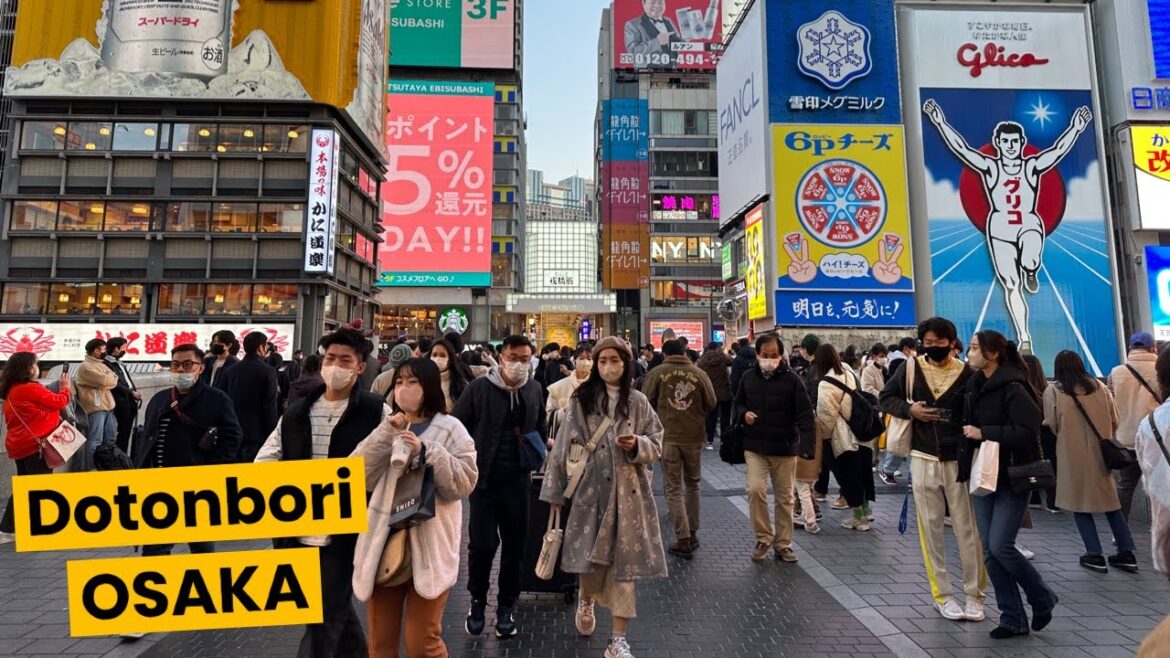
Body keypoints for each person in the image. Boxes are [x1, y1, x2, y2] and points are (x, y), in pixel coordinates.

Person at [255, 327, 386, 657]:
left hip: (347, 532)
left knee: (322, 618)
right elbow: (265, 460)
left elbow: (388, 467)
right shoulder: (297, 411)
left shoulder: (375, 411)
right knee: (333, 612)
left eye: (345, 360)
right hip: (297, 530)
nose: (336, 366)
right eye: (330, 358)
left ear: (360, 367)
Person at [923, 99, 1093, 353]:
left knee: (1030, 259)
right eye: (1006, 142)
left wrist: (1076, 128)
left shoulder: (1031, 166)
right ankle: (1024, 337)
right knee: (1012, 285)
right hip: (1000, 227)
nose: (1011, 146)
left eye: (1015, 142)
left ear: (1021, 144)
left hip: (1028, 222)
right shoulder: (990, 167)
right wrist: (939, 122)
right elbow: (962, 149)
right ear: (998, 144)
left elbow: (1058, 151)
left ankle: (1031, 269)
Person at [540, 336, 666, 658]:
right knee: (591, 562)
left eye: (615, 360)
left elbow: (657, 440)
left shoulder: (637, 401)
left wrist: (638, 444)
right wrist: (555, 493)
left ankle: (618, 641)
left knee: (625, 569)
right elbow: (564, 447)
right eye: (602, 361)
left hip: (629, 497)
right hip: (590, 492)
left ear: (626, 364)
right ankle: (586, 599)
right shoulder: (581, 400)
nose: (608, 366)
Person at [351, 358, 478, 658]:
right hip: (386, 543)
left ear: (430, 387)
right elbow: (355, 474)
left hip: (431, 545)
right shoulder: (389, 424)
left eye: (413, 382)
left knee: (423, 642)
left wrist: (429, 452)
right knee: (381, 644)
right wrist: (386, 434)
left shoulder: (450, 428)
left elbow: (464, 482)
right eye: (399, 382)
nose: (403, 389)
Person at [880, 317, 986, 622]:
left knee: (969, 531)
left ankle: (975, 595)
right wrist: (909, 410)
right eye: (928, 343)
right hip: (923, 457)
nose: (934, 348)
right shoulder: (910, 368)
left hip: (959, 460)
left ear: (953, 343)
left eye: (940, 343)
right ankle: (943, 595)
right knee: (930, 530)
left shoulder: (968, 374)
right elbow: (885, 398)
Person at [963, 330, 1058, 637]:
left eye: (975, 348)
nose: (970, 352)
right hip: (983, 475)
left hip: (1012, 477)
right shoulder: (974, 383)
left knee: (1001, 545)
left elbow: (1028, 431)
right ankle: (1011, 617)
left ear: (992, 354)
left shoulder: (1014, 386)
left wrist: (984, 432)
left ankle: (1041, 595)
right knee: (990, 551)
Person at [451, 335, 547, 639]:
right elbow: (457, 425)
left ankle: (506, 606)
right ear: (501, 356)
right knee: (481, 546)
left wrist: (538, 451)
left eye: (525, 358)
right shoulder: (479, 389)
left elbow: (541, 426)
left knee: (516, 547)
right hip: (484, 481)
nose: (519, 364)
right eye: (514, 357)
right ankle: (478, 601)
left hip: (519, 482)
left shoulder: (534, 389)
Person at [132, 344, 243, 555]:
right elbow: (147, 439)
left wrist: (207, 467)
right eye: (175, 364)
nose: (181, 370)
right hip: (160, 487)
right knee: (155, 549)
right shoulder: (159, 399)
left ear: (200, 368)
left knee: (200, 545)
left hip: (197, 486)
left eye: (187, 364)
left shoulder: (217, 399)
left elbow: (233, 437)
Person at [1043, 349, 1138, 574]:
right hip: (1101, 453)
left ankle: (1094, 554)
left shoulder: (1054, 390)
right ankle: (1127, 552)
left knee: (1080, 504)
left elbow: (1052, 424)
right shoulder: (1099, 387)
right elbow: (1115, 419)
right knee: (1111, 503)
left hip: (1071, 455)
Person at [734, 334, 815, 562]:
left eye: (774, 355)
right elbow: (738, 402)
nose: (769, 359)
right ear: (757, 354)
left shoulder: (792, 380)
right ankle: (763, 537)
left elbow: (805, 414)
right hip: (755, 445)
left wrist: (807, 447)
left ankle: (783, 544)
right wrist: (743, 414)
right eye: (765, 355)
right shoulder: (748, 377)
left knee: (785, 498)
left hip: (785, 447)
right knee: (755, 489)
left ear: (781, 355)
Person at [643, 339, 715, 559]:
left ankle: (682, 537)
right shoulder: (699, 373)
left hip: (668, 437)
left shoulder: (657, 373)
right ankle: (692, 533)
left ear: (664, 354)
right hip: (693, 437)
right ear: (684, 352)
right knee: (693, 484)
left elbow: (645, 402)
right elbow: (711, 402)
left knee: (673, 488)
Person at [0, 353, 71, 543]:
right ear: (28, 368)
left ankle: (12, 528)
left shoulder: (12, 389)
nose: (36, 368)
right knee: (37, 487)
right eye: (35, 365)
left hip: (20, 444)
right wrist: (65, 388)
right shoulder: (29, 389)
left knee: (26, 486)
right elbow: (60, 402)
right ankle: (22, 528)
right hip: (35, 445)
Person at [816, 344, 876, 531]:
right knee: (862, 472)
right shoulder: (848, 373)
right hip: (861, 432)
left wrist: (823, 439)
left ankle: (859, 518)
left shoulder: (826, 382)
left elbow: (826, 415)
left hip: (842, 437)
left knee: (847, 475)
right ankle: (866, 510)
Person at [1108, 331, 1160, 520]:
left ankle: (1120, 532)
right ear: (1153, 348)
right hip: (1156, 437)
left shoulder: (1115, 373)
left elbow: (1110, 403)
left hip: (1127, 438)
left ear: (1130, 348)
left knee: (1125, 486)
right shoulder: (1161, 370)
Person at [219, 331, 280, 463]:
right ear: (260, 348)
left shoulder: (230, 371)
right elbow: (269, 407)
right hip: (256, 435)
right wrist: (272, 436)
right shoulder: (268, 372)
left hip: (231, 432)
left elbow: (221, 402)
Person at [1022, 355, 1059, 513]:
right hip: (1049, 434)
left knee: (1030, 463)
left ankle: (1034, 496)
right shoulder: (1047, 389)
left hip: (1030, 434)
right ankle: (1053, 500)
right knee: (1051, 465)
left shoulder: (1022, 389)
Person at [75, 338, 119, 471]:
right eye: (103, 349)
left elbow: (115, 378)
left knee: (110, 440)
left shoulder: (101, 364)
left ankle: (106, 467)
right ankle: (92, 469)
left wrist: (109, 378)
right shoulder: (85, 367)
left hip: (108, 408)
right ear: (95, 351)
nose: (105, 352)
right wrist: (109, 378)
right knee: (95, 441)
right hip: (95, 409)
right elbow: (105, 381)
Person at [104, 336, 141, 454]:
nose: (125, 350)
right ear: (116, 349)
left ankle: (123, 458)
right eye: (124, 348)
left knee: (126, 433)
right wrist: (131, 392)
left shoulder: (119, 363)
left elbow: (127, 381)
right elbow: (115, 384)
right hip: (121, 402)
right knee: (122, 434)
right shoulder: (107, 364)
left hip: (130, 401)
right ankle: (120, 460)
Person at [697, 341, 733, 450]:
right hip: (724, 392)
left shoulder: (703, 360)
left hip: (710, 393)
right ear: (717, 348)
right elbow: (731, 361)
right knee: (725, 417)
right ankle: (725, 439)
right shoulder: (723, 357)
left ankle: (709, 441)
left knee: (711, 417)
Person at [546, 345, 592, 424]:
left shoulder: (599, 386)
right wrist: (566, 410)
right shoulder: (557, 387)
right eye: (581, 358)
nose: (585, 362)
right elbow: (548, 416)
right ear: (574, 361)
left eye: (589, 359)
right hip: (564, 433)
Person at [429, 338, 473, 412]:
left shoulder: (460, 384)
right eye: (434, 355)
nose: (437, 359)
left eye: (442, 355)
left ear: (450, 360)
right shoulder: (422, 381)